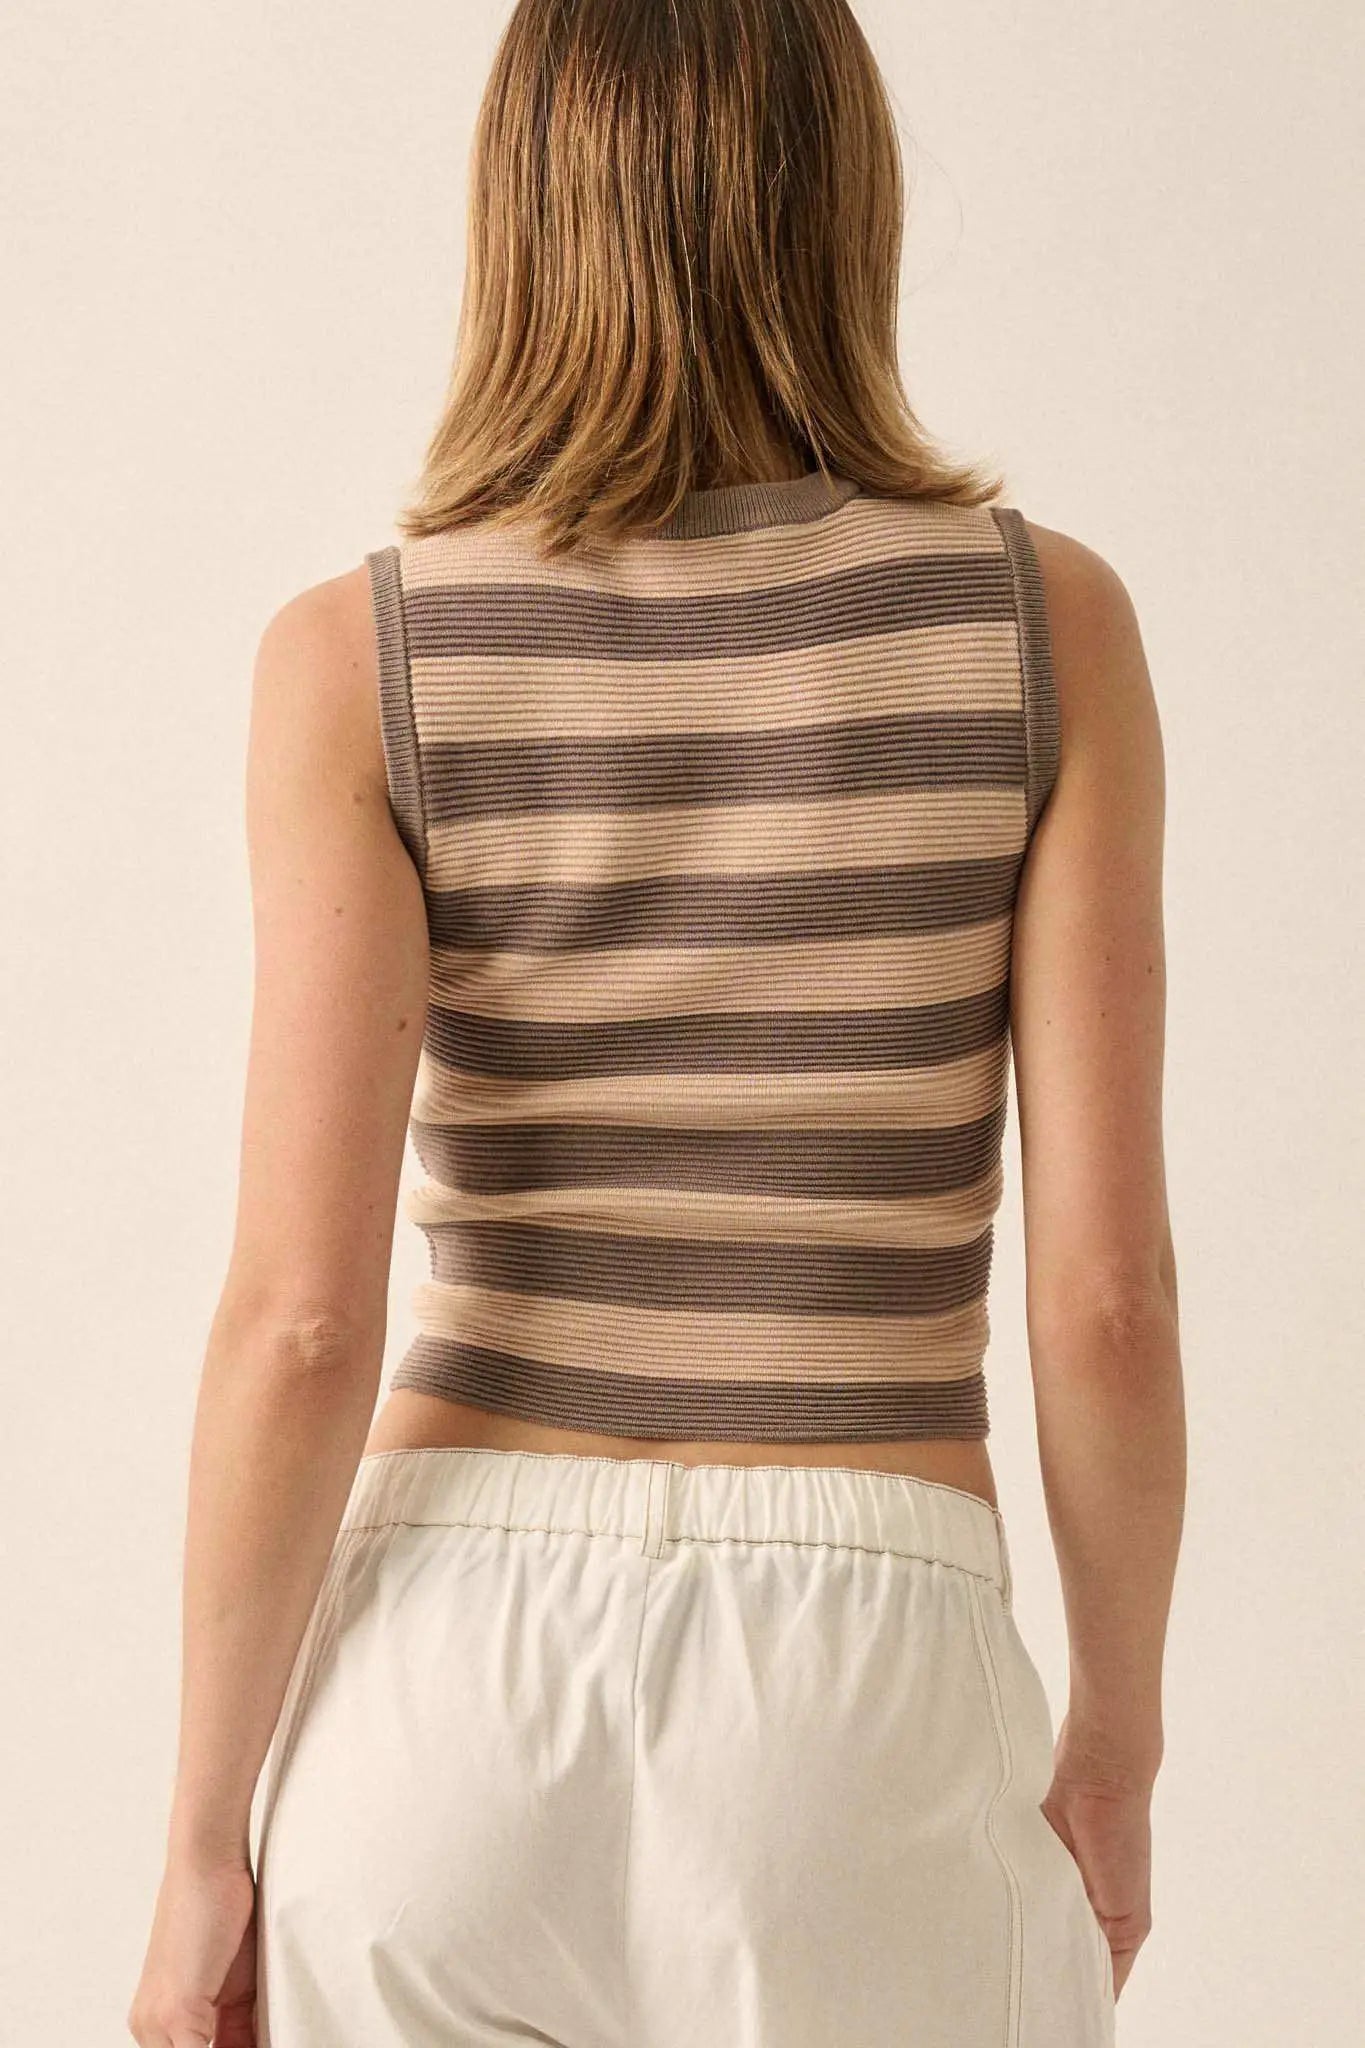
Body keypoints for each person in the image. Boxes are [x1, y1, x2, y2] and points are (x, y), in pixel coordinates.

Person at [128, 2, 1185, 2043]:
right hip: (864, 1683)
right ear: (842, 197)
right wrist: (1115, 1751)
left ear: (521, 209)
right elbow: (1107, 1305)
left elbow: (300, 1320)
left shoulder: (359, 660)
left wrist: (200, 1837)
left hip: (440, 1679)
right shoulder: (1043, 631)